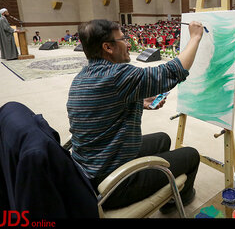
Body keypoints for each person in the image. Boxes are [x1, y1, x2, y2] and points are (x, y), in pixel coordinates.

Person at [67, 19, 204, 212]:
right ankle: (177, 202)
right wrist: (195, 37)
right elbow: (172, 72)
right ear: (107, 47)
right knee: (191, 155)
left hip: (91, 168)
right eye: (123, 38)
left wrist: (140, 102)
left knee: (162, 139)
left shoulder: (83, 77)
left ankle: (155, 181)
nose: (128, 43)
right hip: (113, 185)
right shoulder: (117, 75)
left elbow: (102, 107)